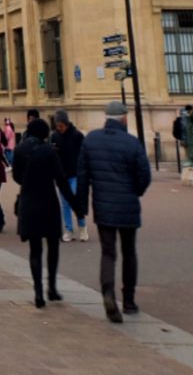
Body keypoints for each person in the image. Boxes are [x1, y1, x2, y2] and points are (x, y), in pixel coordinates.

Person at [77, 101, 151, 323]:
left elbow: (82, 176)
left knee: (108, 252)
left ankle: (108, 293)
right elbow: (144, 176)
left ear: (106, 117)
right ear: (124, 118)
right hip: (128, 206)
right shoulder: (132, 143)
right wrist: (135, 192)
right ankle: (128, 301)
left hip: (103, 206)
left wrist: (81, 206)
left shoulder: (91, 140)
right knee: (129, 253)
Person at [13, 118, 82, 308]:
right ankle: (51, 287)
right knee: (53, 246)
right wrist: (77, 206)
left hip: (28, 202)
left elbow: (16, 177)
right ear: (44, 133)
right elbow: (61, 180)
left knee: (35, 250)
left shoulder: (19, 150)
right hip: (48, 202)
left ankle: (37, 292)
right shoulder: (49, 151)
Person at [50, 109, 88, 242]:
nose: (59, 128)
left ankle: (82, 226)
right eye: (57, 126)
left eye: (61, 126)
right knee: (65, 203)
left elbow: (84, 154)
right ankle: (69, 229)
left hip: (75, 174)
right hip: (61, 175)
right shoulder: (54, 136)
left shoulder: (77, 135)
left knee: (75, 199)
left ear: (66, 123)